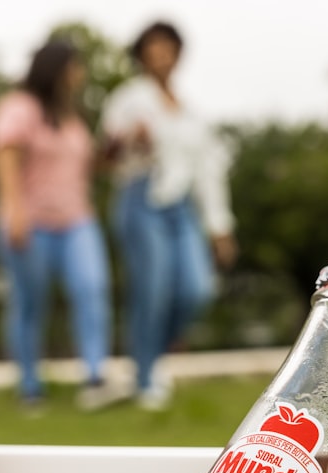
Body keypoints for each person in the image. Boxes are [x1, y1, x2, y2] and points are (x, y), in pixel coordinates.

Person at [101, 20, 238, 411]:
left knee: (198, 289)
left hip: (181, 208)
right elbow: (106, 155)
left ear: (178, 55)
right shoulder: (128, 98)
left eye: (168, 48)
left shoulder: (191, 112)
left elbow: (208, 172)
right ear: (142, 54)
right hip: (140, 198)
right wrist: (129, 140)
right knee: (152, 290)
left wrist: (220, 227)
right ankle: (146, 380)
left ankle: (152, 357)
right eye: (153, 47)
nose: (160, 55)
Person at [0, 39, 123, 411]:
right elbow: (5, 156)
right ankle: (30, 387)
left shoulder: (71, 116)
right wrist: (14, 213)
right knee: (30, 304)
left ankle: (95, 376)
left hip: (77, 221)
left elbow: (82, 166)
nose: (80, 75)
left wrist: (109, 156)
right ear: (56, 69)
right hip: (30, 223)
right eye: (75, 67)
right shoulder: (19, 107)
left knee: (92, 290)